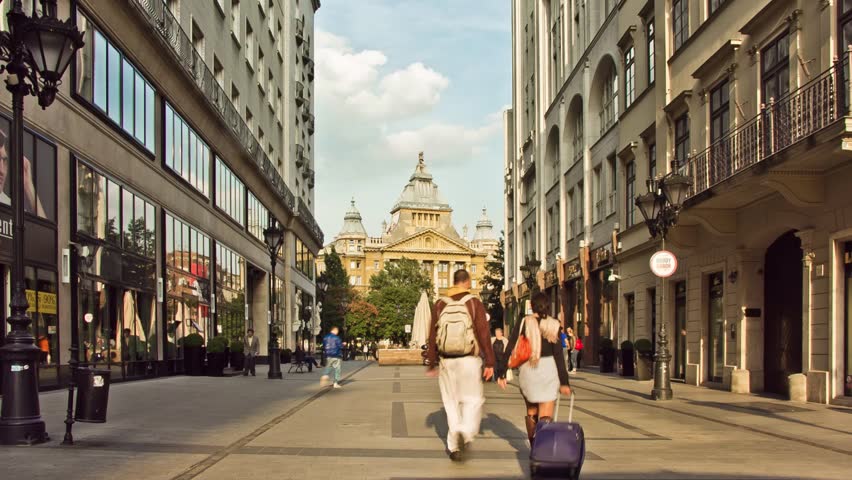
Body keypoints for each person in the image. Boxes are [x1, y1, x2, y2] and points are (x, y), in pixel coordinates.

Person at [426, 269, 496, 462]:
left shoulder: (440, 303)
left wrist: (431, 362)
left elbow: (432, 334)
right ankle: (464, 432)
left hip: (446, 361)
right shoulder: (473, 303)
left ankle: (454, 447)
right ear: (467, 282)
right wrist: (490, 361)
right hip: (469, 359)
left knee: (451, 403)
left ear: (453, 282)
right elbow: (483, 332)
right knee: (473, 400)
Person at [498, 292, 571, 451]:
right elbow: (559, 356)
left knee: (531, 411)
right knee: (545, 415)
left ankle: (534, 448)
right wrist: (564, 382)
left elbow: (510, 346)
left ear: (531, 306)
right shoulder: (554, 325)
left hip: (528, 369)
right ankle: (543, 450)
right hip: (549, 371)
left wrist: (502, 371)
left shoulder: (524, 322)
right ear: (548, 306)